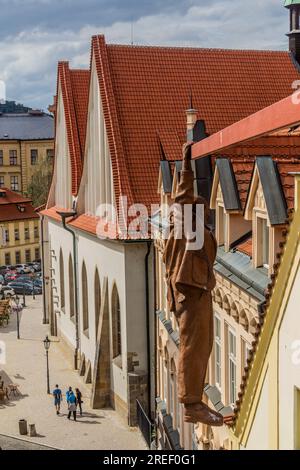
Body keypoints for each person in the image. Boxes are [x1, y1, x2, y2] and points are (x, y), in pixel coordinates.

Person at [163, 142, 223, 427]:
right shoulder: (184, 224)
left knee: (203, 344)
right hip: (190, 290)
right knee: (194, 345)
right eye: (203, 209)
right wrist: (186, 166)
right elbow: (183, 197)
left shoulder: (187, 230)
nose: (206, 212)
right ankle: (192, 404)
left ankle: (194, 400)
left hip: (196, 289)